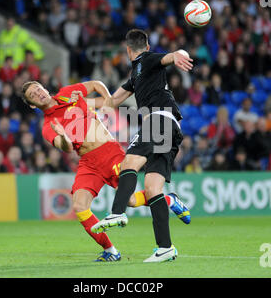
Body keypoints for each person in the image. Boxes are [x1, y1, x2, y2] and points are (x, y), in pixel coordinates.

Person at [21, 79, 190, 262]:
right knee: (79, 206)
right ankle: (110, 250)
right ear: (32, 105)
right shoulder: (47, 127)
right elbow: (68, 147)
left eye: (38, 89)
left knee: (131, 201)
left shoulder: (67, 93)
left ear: (44, 88)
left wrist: (109, 102)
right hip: (88, 163)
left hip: (110, 153)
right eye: (33, 95)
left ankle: (168, 199)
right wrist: (62, 135)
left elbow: (95, 84)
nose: (38, 93)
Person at [91, 29, 193, 262]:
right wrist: (84, 104)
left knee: (129, 162)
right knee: (152, 189)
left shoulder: (147, 60)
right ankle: (165, 248)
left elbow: (169, 56)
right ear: (146, 45)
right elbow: (113, 100)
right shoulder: (137, 75)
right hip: (169, 126)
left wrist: (179, 54)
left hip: (158, 121)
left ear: (128, 50)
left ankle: (117, 213)